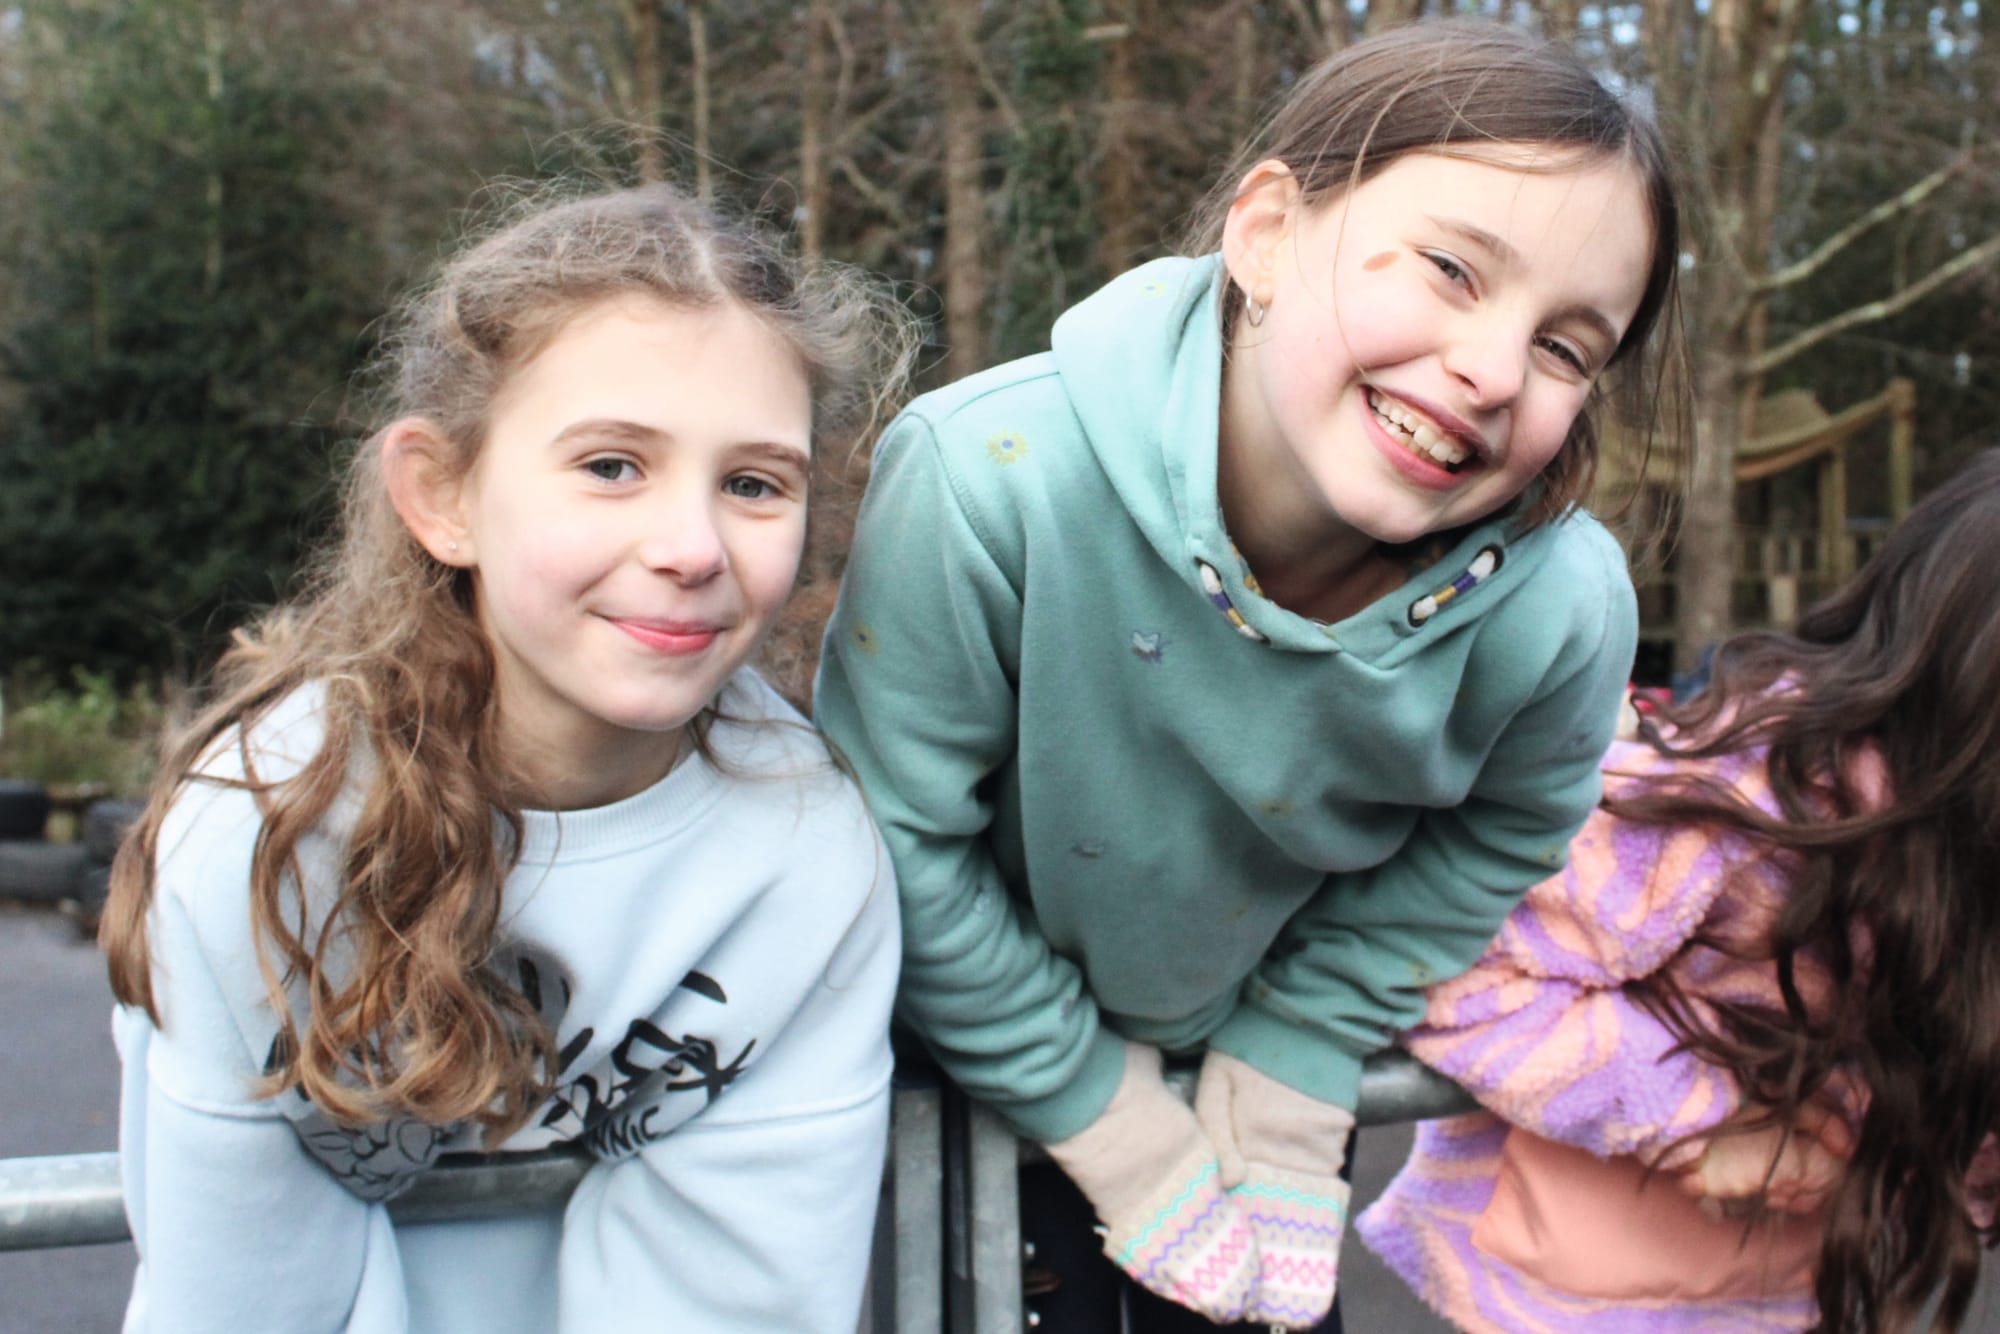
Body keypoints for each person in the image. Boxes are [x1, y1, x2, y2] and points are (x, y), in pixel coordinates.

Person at [814, 19, 1683, 1332]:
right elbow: (895, 837)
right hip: (978, 1074)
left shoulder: (1560, 612)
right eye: (1451, 268)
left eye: (1567, 346)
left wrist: (1302, 1041)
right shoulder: (985, 485)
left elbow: (1509, 825)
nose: (1495, 370)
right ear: (1267, 230)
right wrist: (1101, 1115)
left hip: (1259, 1070)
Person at [97, 182, 916, 1333]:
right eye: (611, 466)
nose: (691, 547)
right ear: (442, 495)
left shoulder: (804, 857)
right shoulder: (261, 836)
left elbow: (739, 1301)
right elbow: (244, 1294)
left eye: (751, 483)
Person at [1357, 448, 2000, 1334]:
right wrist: (1702, 1122)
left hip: (1806, 1287)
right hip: (1575, 1290)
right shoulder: (1751, 806)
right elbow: (1444, 964)